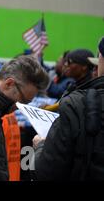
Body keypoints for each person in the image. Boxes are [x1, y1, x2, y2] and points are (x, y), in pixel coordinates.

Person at [33, 37, 104, 180]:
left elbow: (47, 171)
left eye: (69, 62)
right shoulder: (77, 96)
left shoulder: (77, 101)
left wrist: (41, 146)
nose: (65, 65)